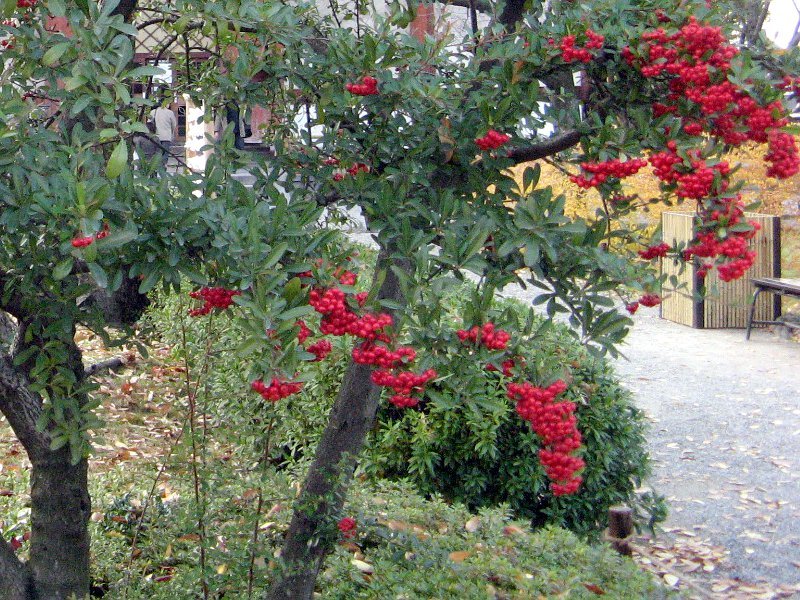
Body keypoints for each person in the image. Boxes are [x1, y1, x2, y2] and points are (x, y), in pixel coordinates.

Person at [152, 100, 178, 166]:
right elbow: (174, 124)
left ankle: (155, 169)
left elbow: (149, 124)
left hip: (155, 136)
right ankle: (163, 169)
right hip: (166, 137)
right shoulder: (170, 112)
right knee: (165, 155)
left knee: (156, 154)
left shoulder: (153, 112)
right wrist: (171, 132)